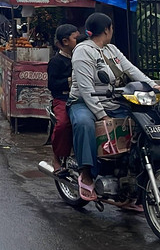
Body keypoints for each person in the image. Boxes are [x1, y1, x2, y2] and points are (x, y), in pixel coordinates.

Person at [69, 12, 159, 201]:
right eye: (111, 28)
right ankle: (86, 173)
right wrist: (101, 115)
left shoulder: (111, 50)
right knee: (84, 124)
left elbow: (131, 69)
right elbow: (86, 90)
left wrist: (153, 84)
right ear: (106, 30)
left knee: (140, 121)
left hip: (112, 101)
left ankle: (131, 173)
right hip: (84, 103)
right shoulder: (82, 51)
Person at [47, 23, 80, 171]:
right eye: (76, 38)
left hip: (81, 98)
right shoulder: (56, 61)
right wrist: (71, 81)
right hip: (63, 99)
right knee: (63, 125)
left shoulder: (81, 57)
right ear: (65, 41)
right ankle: (57, 156)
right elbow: (52, 85)